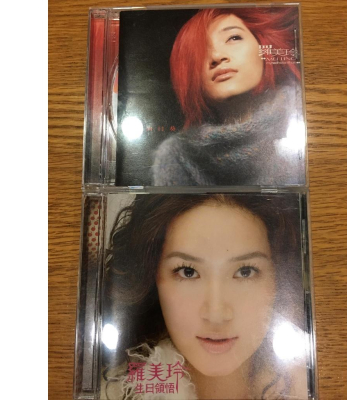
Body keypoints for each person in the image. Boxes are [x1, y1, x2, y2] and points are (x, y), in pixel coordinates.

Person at [102, 194, 307, 399]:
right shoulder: (108, 392)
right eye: (188, 272)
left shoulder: (314, 382)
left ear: (279, 279)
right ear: (151, 277)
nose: (216, 315)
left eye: (245, 272)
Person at [152, 8, 305, 186]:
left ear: (263, 48)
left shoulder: (303, 117)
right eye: (200, 51)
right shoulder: (175, 157)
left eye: (233, 38)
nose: (217, 56)